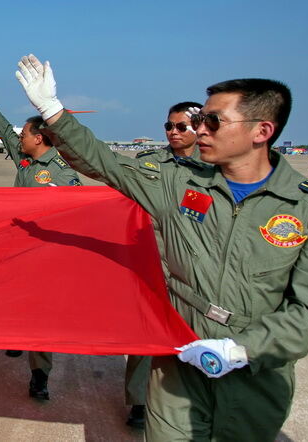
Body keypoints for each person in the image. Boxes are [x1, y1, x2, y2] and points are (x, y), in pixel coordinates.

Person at [14, 53, 308, 440]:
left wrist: (240, 350)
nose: (199, 130)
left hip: (256, 373)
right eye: (199, 120)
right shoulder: (177, 184)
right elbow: (105, 163)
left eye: (213, 121)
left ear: (261, 131)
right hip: (179, 359)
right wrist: (53, 110)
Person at [0, 74, 81, 401]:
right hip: (15, 247)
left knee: (39, 312)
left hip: (43, 253)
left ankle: (40, 374)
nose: (19, 138)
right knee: (13, 300)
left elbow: (80, 212)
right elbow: (4, 132)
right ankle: (16, 337)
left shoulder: (62, 172)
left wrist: (63, 202)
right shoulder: (25, 159)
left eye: (24, 134)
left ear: (39, 138)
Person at [122, 101, 206, 429]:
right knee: (147, 335)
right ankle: (139, 401)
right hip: (154, 263)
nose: (173, 132)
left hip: (194, 269)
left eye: (181, 127)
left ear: (199, 128)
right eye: (169, 126)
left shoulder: (215, 168)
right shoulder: (149, 162)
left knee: (192, 337)